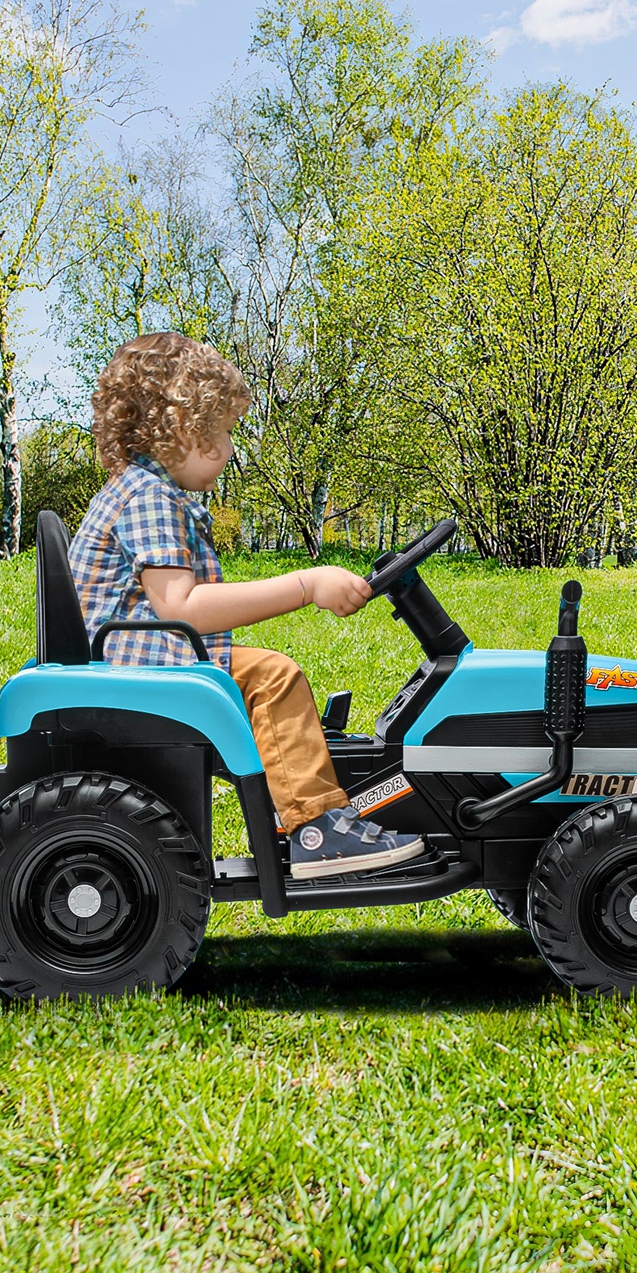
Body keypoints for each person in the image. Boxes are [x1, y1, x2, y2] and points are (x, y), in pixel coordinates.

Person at [69, 331, 427, 880]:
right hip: (140, 669)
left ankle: (313, 808)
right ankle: (316, 828)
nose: (231, 448)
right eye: (226, 433)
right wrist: (305, 586)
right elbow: (181, 610)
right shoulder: (148, 497)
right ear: (185, 429)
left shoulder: (140, 489)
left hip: (136, 658)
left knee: (264, 672)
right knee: (273, 678)